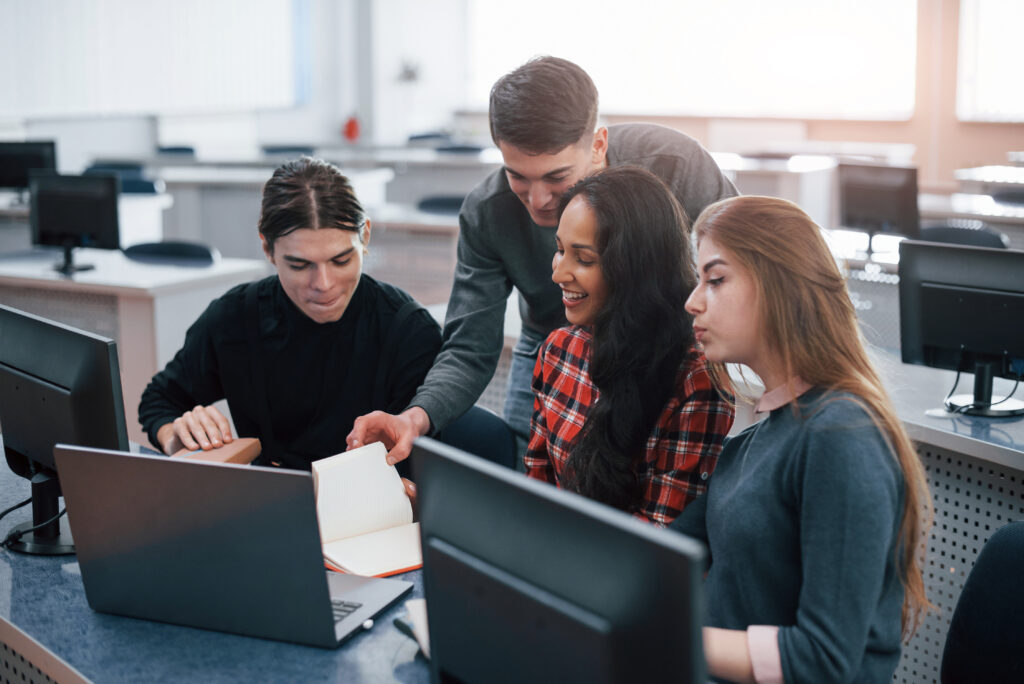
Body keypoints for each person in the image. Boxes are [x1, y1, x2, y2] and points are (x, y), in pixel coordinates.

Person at [349, 55, 737, 463]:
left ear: (599, 144)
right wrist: (416, 416)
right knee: (530, 473)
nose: (537, 201)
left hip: (665, 340)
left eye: (556, 177)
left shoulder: (674, 166)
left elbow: (748, 264)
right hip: (550, 342)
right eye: (517, 175)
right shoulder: (488, 212)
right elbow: (470, 346)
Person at [671, 195, 932, 683]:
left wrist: (668, 637)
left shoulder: (842, 436)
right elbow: (659, 556)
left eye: (716, 279)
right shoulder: (761, 435)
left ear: (779, 285)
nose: (693, 300)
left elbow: (822, 661)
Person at [138, 157, 442, 471]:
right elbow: (159, 399)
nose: (323, 284)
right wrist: (176, 435)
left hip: (373, 512)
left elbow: (428, 464)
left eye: (341, 260)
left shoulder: (409, 331)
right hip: (265, 503)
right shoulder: (235, 318)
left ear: (364, 236)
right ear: (267, 249)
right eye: (300, 265)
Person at [523, 166, 733, 525]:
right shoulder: (557, 350)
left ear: (635, 268)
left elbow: (658, 541)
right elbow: (536, 488)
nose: (558, 274)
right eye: (560, 250)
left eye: (584, 259)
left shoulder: (694, 382)